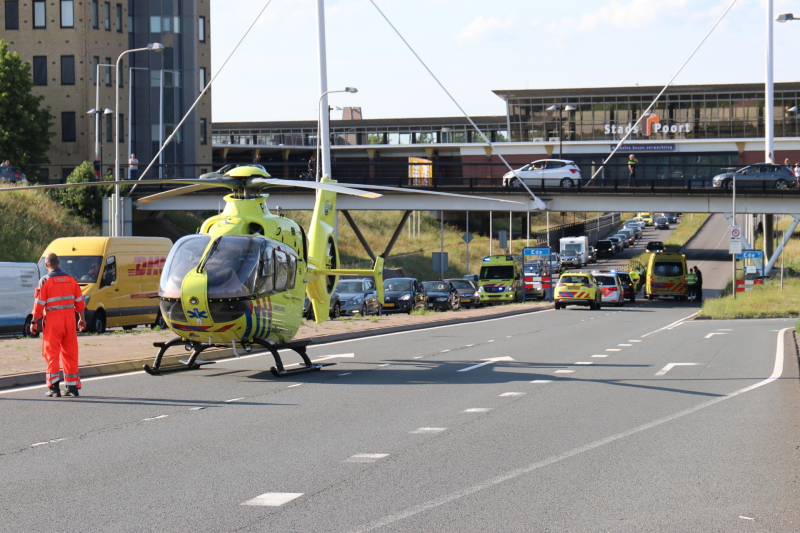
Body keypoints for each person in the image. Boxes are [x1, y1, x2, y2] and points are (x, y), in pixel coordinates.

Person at [31, 253, 87, 397]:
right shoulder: (71, 280)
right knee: (70, 353)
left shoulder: (45, 281)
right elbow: (80, 302)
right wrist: (81, 319)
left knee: (52, 354)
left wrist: (33, 321)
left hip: (52, 321)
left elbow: (39, 305)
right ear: (59, 262)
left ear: (46, 265)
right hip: (69, 321)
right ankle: (72, 387)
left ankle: (54, 388)